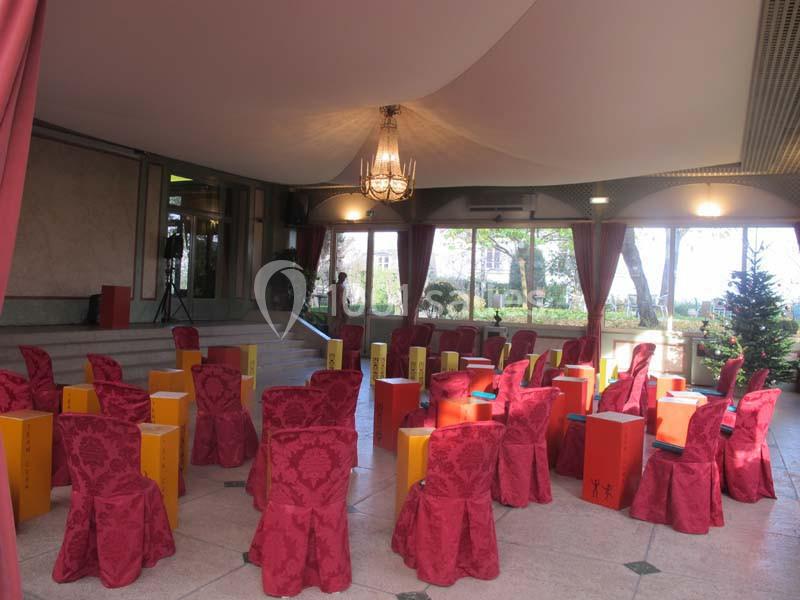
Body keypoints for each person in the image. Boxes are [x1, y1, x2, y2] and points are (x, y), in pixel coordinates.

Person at [329, 272, 349, 336]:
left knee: (345, 318)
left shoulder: (342, 285)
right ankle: (334, 334)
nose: (343, 279)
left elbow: (342, 295)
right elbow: (330, 294)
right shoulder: (336, 286)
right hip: (337, 305)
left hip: (342, 305)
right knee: (337, 319)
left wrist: (346, 299)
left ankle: (340, 333)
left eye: (344, 278)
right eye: (342, 277)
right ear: (339, 277)